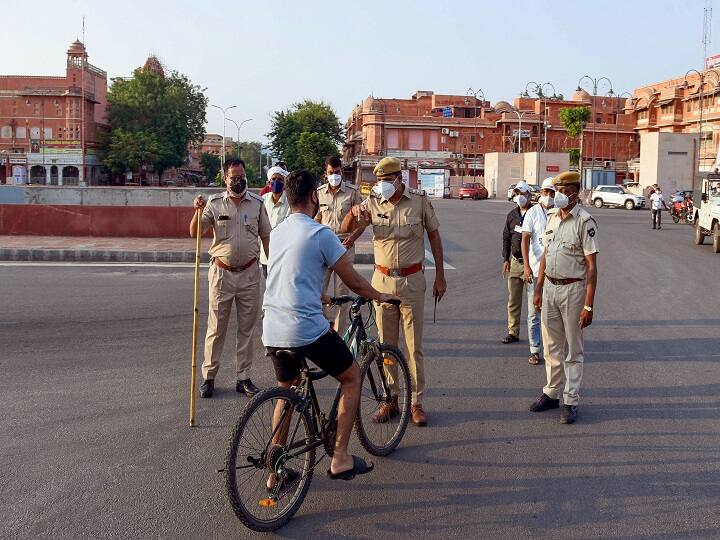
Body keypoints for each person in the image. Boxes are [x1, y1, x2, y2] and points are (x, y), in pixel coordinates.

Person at [262, 169, 399, 481]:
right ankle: (340, 457)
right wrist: (380, 295)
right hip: (303, 328)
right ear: (314, 197)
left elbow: (288, 274)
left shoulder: (280, 231)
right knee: (351, 376)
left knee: (287, 390)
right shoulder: (320, 233)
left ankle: (275, 472)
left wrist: (319, 294)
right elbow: (354, 282)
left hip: (272, 326)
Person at [340, 156, 447, 427]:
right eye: (379, 181)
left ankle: (416, 402)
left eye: (387, 180)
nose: (383, 185)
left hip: (412, 281)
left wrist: (440, 277)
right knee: (386, 346)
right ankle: (391, 399)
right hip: (382, 283)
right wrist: (352, 216)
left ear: (400, 178)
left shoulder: (419, 201)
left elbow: (434, 236)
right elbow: (346, 229)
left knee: (414, 347)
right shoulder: (372, 203)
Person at [190, 158, 270, 399]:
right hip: (221, 274)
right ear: (225, 179)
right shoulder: (214, 204)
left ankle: (243, 377)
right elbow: (195, 232)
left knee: (246, 329)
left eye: (241, 176)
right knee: (216, 328)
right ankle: (209, 377)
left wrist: (273, 265)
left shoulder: (256, 203)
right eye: (233, 177)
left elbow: (266, 236)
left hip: (249, 274)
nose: (238, 180)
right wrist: (196, 211)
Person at [530, 171, 598, 424]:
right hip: (549, 287)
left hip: (573, 291)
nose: (558, 194)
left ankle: (570, 400)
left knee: (573, 349)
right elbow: (546, 255)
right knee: (551, 346)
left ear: (575, 192)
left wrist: (588, 305)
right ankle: (551, 392)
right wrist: (538, 289)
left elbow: (592, 267)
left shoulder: (585, 222)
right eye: (556, 189)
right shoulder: (551, 219)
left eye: (563, 189)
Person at [316, 155, 364, 336]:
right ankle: (323, 331)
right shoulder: (319, 193)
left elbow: (361, 222)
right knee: (318, 292)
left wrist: (352, 238)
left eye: (337, 172)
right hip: (323, 248)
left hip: (344, 247)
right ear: (325, 173)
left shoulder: (352, 192)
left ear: (341, 171)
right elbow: (316, 219)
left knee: (341, 295)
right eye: (330, 173)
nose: (334, 176)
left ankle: (339, 337)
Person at [520, 177, 556, 365]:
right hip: (534, 270)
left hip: (555, 273)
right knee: (534, 313)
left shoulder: (559, 212)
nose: (549, 196)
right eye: (546, 192)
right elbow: (525, 239)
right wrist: (526, 266)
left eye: (552, 193)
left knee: (551, 314)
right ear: (540, 192)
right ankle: (535, 349)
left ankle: (552, 349)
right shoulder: (533, 212)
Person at [501, 180, 532, 345]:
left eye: (523, 193)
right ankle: (513, 332)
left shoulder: (536, 212)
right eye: (517, 194)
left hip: (532, 264)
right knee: (513, 300)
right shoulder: (512, 215)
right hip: (515, 262)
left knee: (535, 301)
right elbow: (506, 237)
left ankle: (538, 334)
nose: (520, 197)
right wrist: (505, 259)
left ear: (529, 194)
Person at [260, 166, 291, 277]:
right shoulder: (263, 200)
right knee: (270, 287)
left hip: (284, 255)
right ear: (269, 183)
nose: (276, 182)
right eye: (273, 179)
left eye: (280, 179)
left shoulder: (290, 201)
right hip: (266, 256)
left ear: (285, 183)